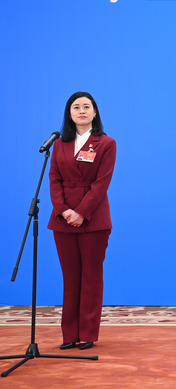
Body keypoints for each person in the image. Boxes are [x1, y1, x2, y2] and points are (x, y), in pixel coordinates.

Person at [48, 92, 116, 350]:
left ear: (95, 112)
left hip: (93, 218)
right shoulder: (59, 144)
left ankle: (87, 333)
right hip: (63, 219)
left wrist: (81, 212)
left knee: (91, 277)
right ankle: (69, 334)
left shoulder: (106, 143)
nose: (81, 110)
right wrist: (63, 210)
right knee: (70, 277)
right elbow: (54, 179)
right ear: (69, 113)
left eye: (87, 106)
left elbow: (101, 183)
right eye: (76, 107)